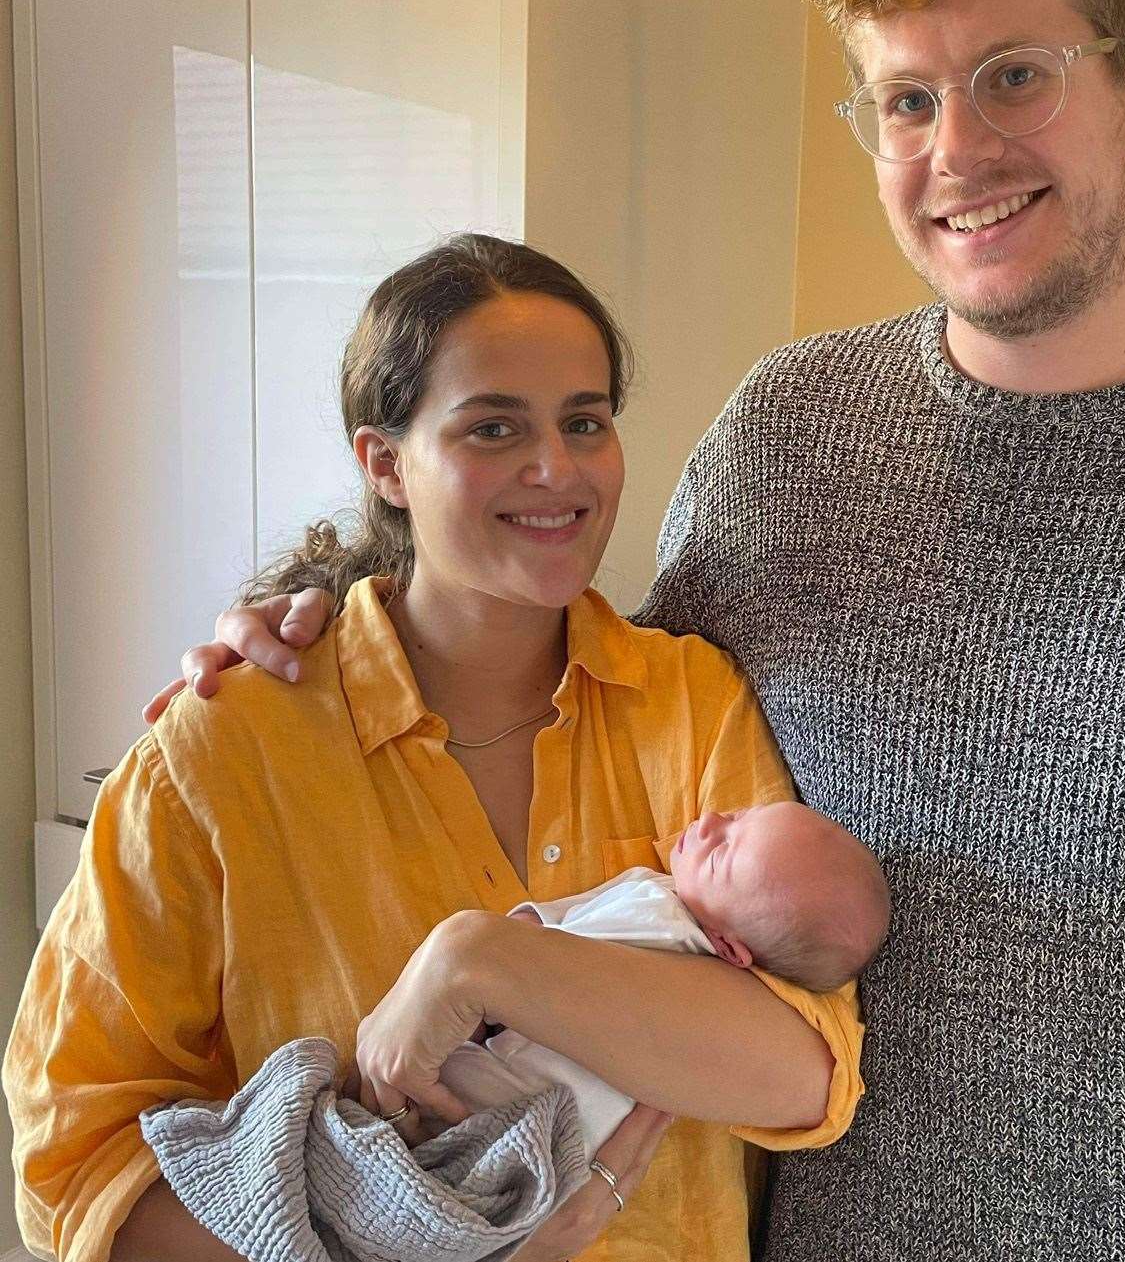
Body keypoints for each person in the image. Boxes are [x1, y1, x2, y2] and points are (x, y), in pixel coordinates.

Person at [150, 0, 1125, 1256]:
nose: (959, 151)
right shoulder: (786, 437)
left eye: (1015, 75)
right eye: (906, 98)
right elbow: (588, 709)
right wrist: (314, 617)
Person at [5, 235, 867, 1262]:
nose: (557, 468)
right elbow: (77, 1166)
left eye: (584, 420)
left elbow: (803, 1073)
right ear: (385, 465)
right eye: (493, 426)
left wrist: (486, 957)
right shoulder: (222, 750)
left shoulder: (687, 697)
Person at [440, 802, 890, 1163]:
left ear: (732, 950)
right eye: (737, 817)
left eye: (719, 855)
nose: (710, 820)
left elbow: (546, 947)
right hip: (528, 1098)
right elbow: (551, 924)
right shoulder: (653, 886)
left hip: (524, 1102)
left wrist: (501, 952)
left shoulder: (669, 927)